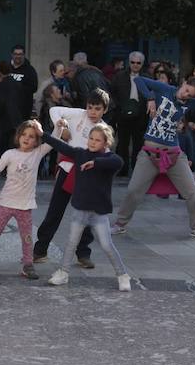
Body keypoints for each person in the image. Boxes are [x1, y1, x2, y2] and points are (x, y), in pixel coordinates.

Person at [111, 74, 195, 239]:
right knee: (133, 190)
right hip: (149, 153)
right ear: (183, 83)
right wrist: (150, 97)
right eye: (186, 90)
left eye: (189, 94)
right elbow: (139, 80)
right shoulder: (165, 89)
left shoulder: (191, 104)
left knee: (192, 192)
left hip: (173, 154)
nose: (185, 95)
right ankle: (120, 224)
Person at [41, 122, 129, 291]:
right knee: (71, 242)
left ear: (105, 143)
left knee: (106, 245)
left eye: (97, 140)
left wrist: (95, 163)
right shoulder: (80, 154)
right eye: (91, 138)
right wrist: (42, 134)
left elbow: (118, 161)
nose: (93, 142)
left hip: (98, 213)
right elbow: (61, 146)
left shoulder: (108, 160)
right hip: (80, 209)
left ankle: (122, 275)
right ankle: (63, 273)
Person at [33, 88, 111, 267]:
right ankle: (40, 250)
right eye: (90, 107)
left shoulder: (104, 129)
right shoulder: (78, 114)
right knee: (55, 211)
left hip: (88, 174)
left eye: (97, 108)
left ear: (104, 109)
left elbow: (105, 152)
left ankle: (83, 253)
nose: (93, 112)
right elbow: (54, 110)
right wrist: (60, 124)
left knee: (85, 215)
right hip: (67, 168)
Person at [0, 120, 53, 279]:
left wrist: (52, 129)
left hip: (25, 206)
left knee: (27, 238)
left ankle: (28, 264)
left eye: (32, 136)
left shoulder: (38, 153)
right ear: (18, 136)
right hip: (6, 203)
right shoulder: (10, 154)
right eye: (24, 134)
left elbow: (54, 140)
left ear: (37, 140)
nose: (27, 138)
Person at [111, 51, 148, 176]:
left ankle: (136, 169)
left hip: (141, 115)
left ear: (142, 64)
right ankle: (123, 169)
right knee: (123, 143)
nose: (135, 65)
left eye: (138, 63)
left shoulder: (147, 77)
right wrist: (118, 108)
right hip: (123, 114)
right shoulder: (119, 76)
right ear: (129, 62)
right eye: (133, 62)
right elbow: (112, 93)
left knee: (138, 143)